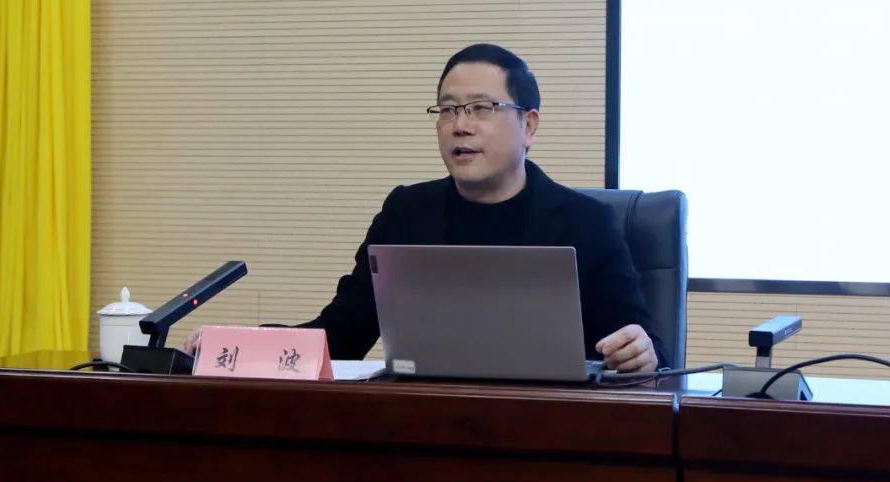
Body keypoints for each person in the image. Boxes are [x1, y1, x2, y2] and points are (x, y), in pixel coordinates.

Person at [187, 44, 666, 371]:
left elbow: (647, 348)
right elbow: (340, 336)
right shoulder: (407, 214)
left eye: (482, 108)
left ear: (529, 126)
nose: (461, 125)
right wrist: (239, 345)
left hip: (551, 433)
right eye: (448, 109)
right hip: (427, 427)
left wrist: (640, 351)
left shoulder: (585, 222)